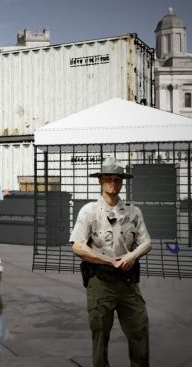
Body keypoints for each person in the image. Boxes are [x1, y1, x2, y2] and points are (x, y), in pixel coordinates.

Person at [70, 157, 152, 367]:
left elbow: (147, 242)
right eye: (108, 178)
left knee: (140, 331)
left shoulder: (133, 212)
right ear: (101, 181)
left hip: (127, 283)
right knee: (100, 337)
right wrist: (108, 260)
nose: (113, 183)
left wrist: (132, 256)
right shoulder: (89, 211)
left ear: (122, 182)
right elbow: (77, 245)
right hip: (101, 283)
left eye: (117, 179)